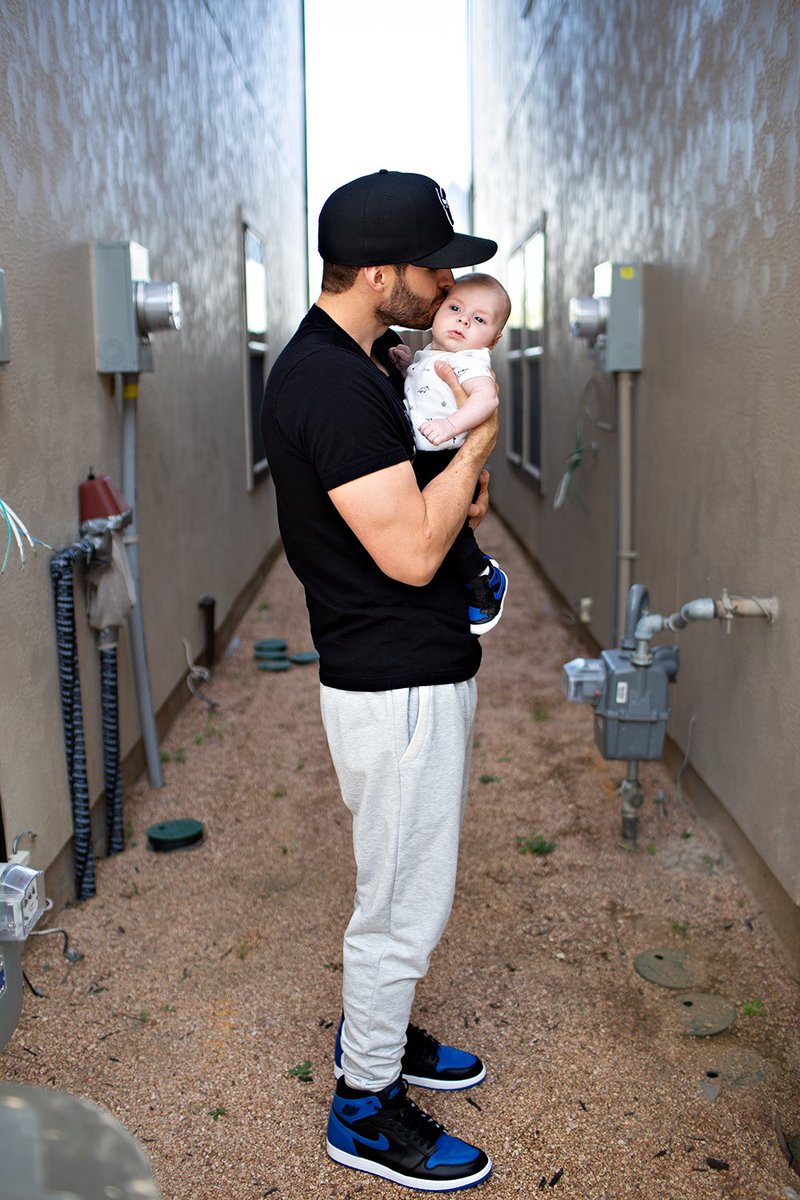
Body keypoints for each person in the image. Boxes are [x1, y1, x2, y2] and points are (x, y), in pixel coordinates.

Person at [260, 170, 498, 1192]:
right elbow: (410, 552)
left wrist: (454, 479)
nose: (446, 285)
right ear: (373, 273)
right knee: (400, 905)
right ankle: (362, 1106)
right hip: (396, 678)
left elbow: (428, 506)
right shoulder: (328, 381)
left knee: (399, 882)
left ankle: (383, 1032)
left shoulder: (363, 361)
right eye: (430, 267)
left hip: (406, 664)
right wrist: (479, 444)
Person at [390, 272, 511, 635]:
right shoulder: (431, 355)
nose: (463, 321)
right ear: (438, 310)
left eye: (479, 319)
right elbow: (424, 392)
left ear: (494, 339)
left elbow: (486, 400)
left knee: (448, 534)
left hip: (447, 457)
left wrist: (452, 425)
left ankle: (483, 578)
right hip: (426, 454)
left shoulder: (472, 362)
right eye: (455, 309)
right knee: (430, 528)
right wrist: (405, 368)